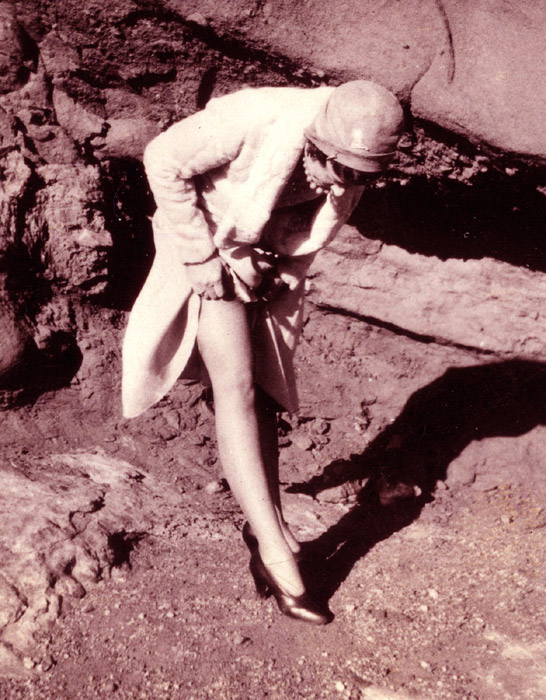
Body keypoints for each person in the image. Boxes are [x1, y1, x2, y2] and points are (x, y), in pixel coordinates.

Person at [122, 80, 404, 625]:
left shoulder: (354, 160)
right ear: (315, 140)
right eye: (335, 168)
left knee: (267, 396)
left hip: (259, 256)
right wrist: (204, 257)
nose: (341, 184)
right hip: (201, 238)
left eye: (360, 176)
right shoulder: (256, 117)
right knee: (238, 387)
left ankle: (262, 524)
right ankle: (277, 554)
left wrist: (277, 267)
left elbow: (311, 227)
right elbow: (161, 158)